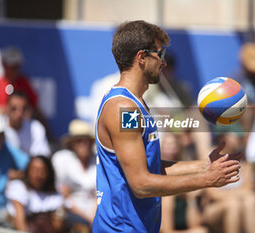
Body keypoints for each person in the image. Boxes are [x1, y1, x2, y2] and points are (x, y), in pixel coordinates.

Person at [93, 20, 242, 233]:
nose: (163, 63)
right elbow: (141, 183)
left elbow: (148, 167)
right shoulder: (124, 108)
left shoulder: (135, 103)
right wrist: (205, 179)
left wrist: (203, 165)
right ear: (142, 57)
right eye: (159, 55)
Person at [0, 113, 30, 227]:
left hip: (4, 211)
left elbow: (31, 167)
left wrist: (17, 176)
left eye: (1, 134)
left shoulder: (6, 149)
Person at [52, 119, 97, 230]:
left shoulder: (97, 161)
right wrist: (87, 219)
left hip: (94, 214)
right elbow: (63, 196)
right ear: (72, 143)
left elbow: (99, 195)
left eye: (87, 141)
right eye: (79, 141)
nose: (84, 144)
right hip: (71, 215)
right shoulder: (62, 159)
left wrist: (94, 218)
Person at [5, 156, 69, 233]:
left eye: (42, 170)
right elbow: (19, 222)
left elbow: (58, 228)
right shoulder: (19, 187)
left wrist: (62, 209)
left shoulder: (56, 194)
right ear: (28, 171)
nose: (38, 174)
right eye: (34, 170)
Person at [0, 46, 38, 113]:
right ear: (3, 64)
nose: (14, 70)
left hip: (19, 122)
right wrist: (13, 111)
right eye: (11, 66)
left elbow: (34, 107)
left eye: (16, 66)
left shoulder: (25, 84)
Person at [4, 91, 51, 157]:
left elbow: (42, 156)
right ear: (6, 108)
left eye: (23, 109)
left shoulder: (36, 127)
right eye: (14, 109)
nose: (19, 113)